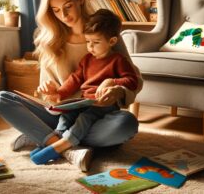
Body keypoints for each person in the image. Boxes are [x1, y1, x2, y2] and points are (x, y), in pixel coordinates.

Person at [0, 0, 142, 172]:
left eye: (67, 6)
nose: (64, 16)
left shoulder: (103, 32)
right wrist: (50, 90)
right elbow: (51, 97)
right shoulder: (47, 39)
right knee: (0, 99)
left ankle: (44, 137)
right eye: (55, 10)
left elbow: (135, 80)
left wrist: (118, 90)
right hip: (62, 114)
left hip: (97, 114)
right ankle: (68, 149)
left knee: (127, 123)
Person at [31, 9, 139, 165]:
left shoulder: (118, 60)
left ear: (112, 41)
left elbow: (132, 81)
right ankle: (55, 138)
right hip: (84, 102)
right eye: (88, 42)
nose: (90, 47)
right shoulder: (87, 60)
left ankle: (62, 145)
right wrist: (59, 94)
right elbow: (75, 79)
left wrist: (113, 82)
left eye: (95, 42)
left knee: (84, 118)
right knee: (66, 115)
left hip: (104, 105)